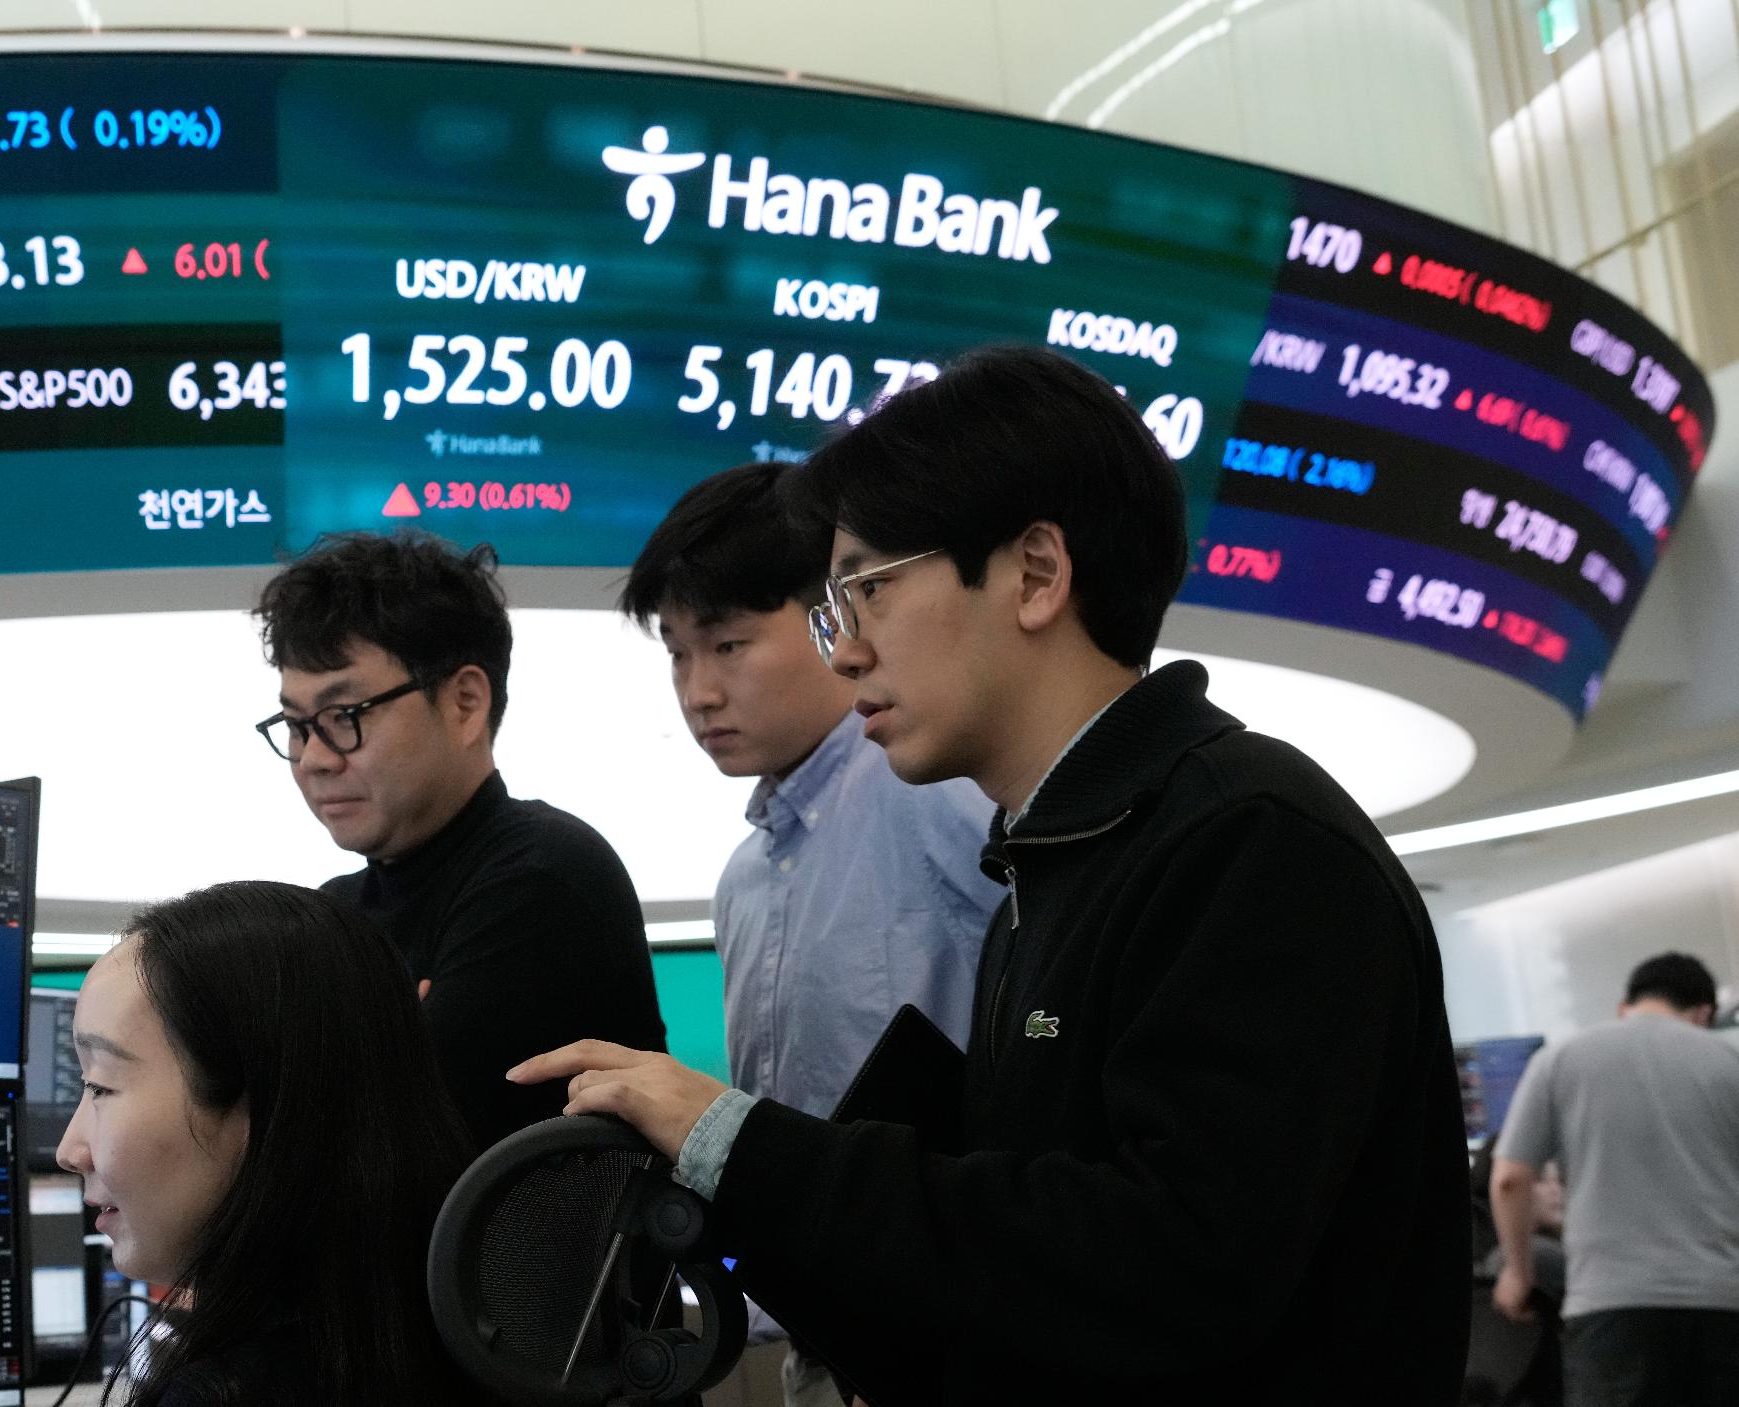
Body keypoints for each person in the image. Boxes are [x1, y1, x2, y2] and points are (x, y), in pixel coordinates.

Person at [512, 344, 1471, 1404]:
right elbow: (1014, 1251)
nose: (845, 652)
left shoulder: (1246, 842)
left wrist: (738, 1145)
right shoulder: (1050, 861)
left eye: (866, 590)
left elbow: (1171, 1271)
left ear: (1035, 575)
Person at [619, 462, 1001, 1405]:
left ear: (832, 620)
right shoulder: (745, 882)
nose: (698, 690)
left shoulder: (948, 802)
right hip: (814, 1342)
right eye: (677, 653)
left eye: (730, 643)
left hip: (960, 1331)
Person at [253, 530, 666, 1151]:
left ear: (466, 703)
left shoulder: (543, 876)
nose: (312, 758)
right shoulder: (334, 911)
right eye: (296, 725)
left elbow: (388, 1150)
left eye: (344, 718)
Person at [56, 880, 485, 1405]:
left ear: (268, 1107)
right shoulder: (494, 1349)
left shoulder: (224, 1393)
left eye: (101, 1085)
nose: (69, 1150)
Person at [1491, 952, 1739, 1406]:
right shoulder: (1730, 1060)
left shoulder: (1561, 1058)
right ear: (1703, 1013)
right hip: (1723, 1301)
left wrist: (1519, 1271)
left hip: (1611, 1302)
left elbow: (1509, 1178)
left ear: (1624, 1006)